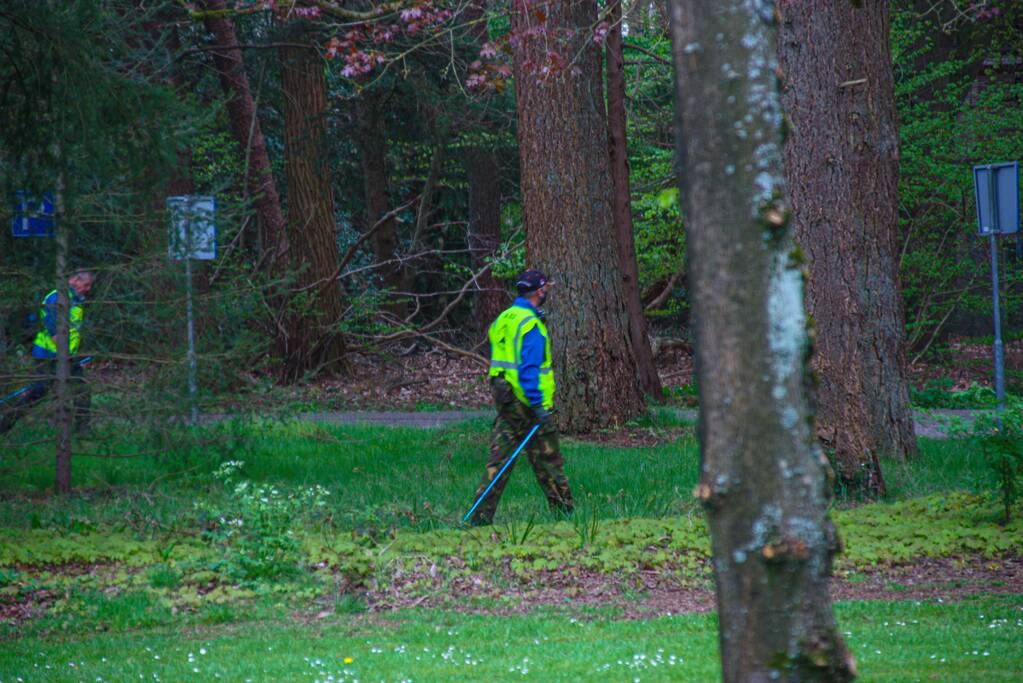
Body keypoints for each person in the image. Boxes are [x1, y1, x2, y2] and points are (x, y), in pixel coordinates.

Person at [467, 269, 574, 525]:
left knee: (498, 462)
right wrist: (538, 407)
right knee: (548, 460)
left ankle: (479, 518)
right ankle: (566, 516)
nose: (546, 292)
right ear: (539, 291)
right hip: (528, 404)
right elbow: (528, 371)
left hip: (505, 400)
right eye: (545, 288)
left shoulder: (503, 319)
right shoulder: (531, 325)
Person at [0, 271, 95, 435]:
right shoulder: (57, 296)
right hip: (47, 354)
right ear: (75, 280)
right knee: (39, 391)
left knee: (82, 389)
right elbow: (52, 324)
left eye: (90, 285)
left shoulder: (76, 300)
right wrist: (60, 345)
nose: (88, 289)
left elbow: (73, 330)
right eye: (86, 285)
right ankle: (4, 425)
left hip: (67, 356)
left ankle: (83, 430)